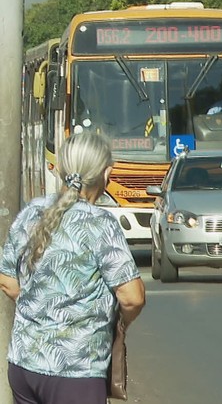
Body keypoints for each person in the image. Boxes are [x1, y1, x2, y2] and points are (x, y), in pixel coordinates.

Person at [0, 131, 145, 404]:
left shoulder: (31, 212)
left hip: (23, 367)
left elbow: (7, 280)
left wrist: (42, 307)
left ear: (62, 169)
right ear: (106, 174)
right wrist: (122, 321)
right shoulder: (100, 223)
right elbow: (132, 296)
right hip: (75, 373)